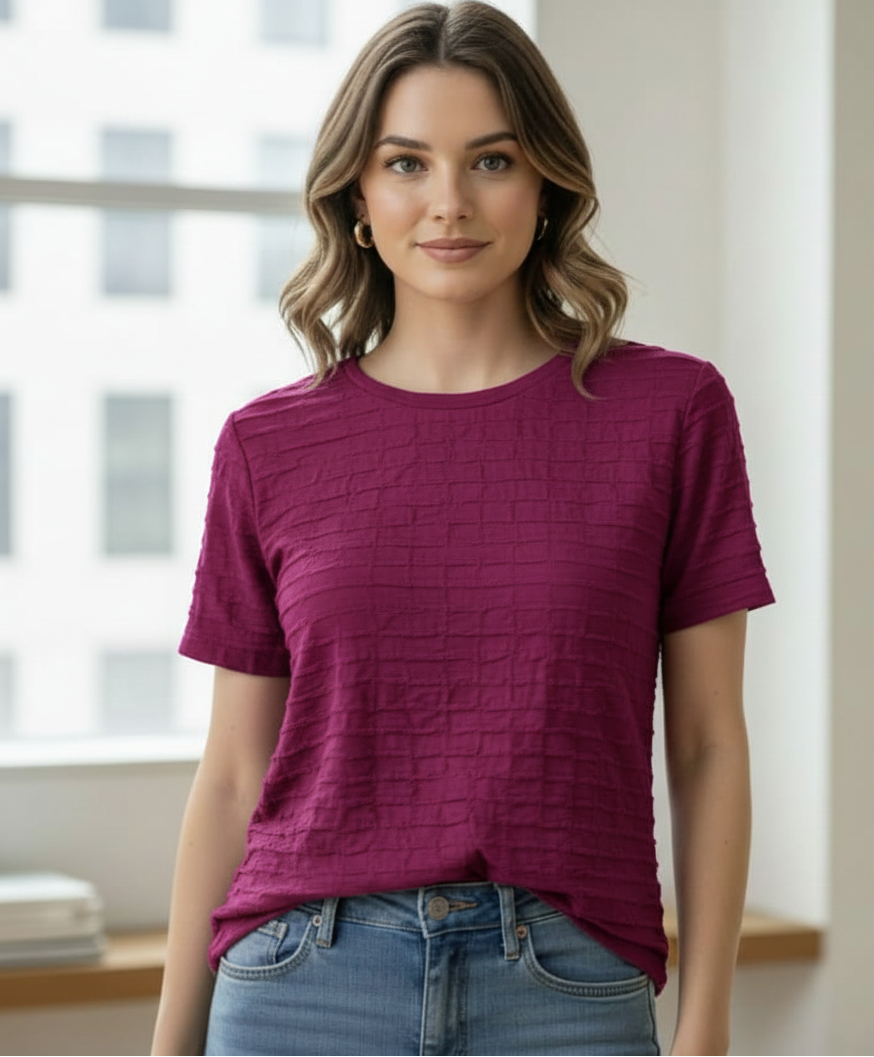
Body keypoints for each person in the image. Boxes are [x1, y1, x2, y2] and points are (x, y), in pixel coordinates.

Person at [151, 3, 774, 1055]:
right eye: (406, 164)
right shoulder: (266, 444)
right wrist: (173, 1037)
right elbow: (231, 771)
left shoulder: (670, 412)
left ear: (547, 186)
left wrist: (706, 1019)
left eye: (490, 160)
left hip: (567, 988)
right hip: (300, 981)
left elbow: (708, 742)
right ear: (356, 193)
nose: (447, 204)